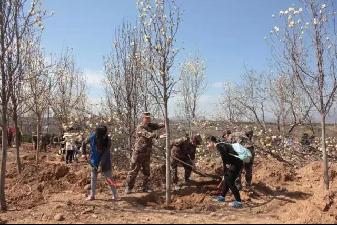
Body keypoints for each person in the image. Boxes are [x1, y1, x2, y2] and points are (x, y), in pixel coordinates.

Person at [125, 112, 165, 194]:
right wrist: (158, 136)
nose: (148, 119)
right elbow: (147, 134)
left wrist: (165, 123)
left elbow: (157, 125)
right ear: (143, 118)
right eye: (146, 118)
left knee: (146, 171)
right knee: (134, 170)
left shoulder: (150, 125)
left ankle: (145, 187)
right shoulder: (140, 127)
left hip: (147, 153)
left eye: (149, 118)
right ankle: (128, 187)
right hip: (139, 153)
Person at [82, 125, 119, 201]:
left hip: (105, 161)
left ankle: (115, 195)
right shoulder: (92, 137)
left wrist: (100, 166)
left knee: (108, 178)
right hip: (94, 161)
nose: (106, 134)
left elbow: (105, 155)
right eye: (105, 133)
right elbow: (84, 143)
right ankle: (92, 196)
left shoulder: (108, 140)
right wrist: (84, 154)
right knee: (93, 178)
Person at [206, 136, 243, 209]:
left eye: (207, 143)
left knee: (230, 181)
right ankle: (222, 197)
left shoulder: (220, 146)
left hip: (235, 164)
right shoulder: (221, 144)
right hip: (236, 163)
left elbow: (225, 159)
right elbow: (226, 160)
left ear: (211, 142)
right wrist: (225, 172)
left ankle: (238, 202)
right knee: (227, 179)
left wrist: (227, 167)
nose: (207, 145)